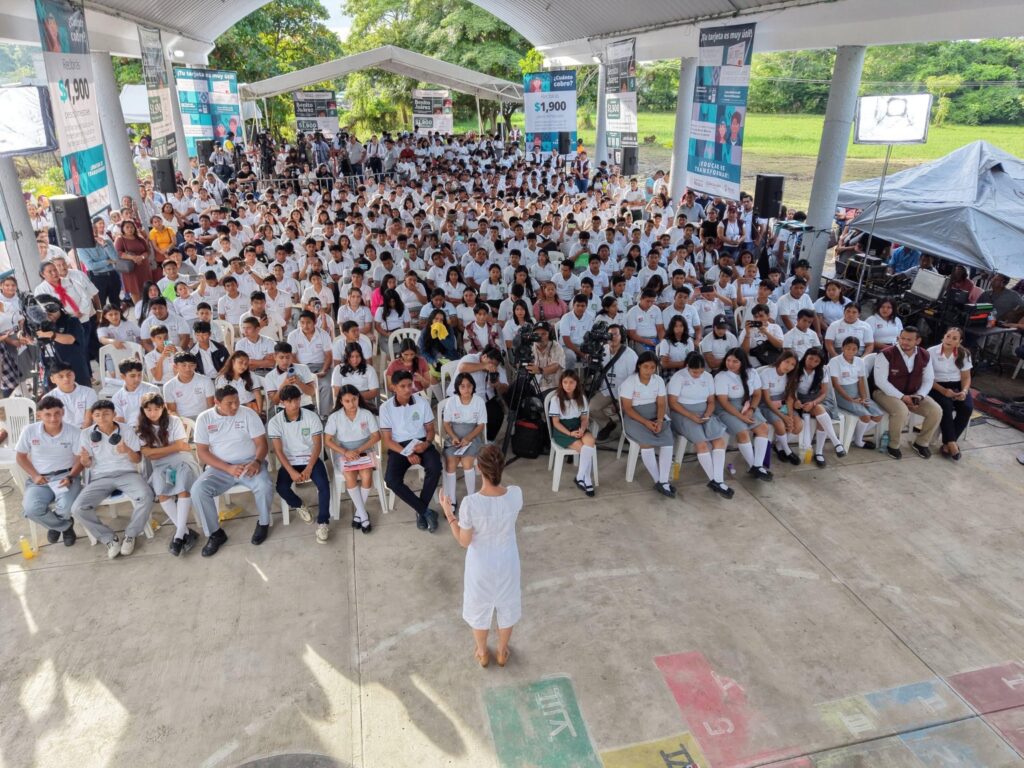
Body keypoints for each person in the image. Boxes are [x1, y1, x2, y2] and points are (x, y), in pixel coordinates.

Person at [439, 443, 522, 668]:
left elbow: (464, 541)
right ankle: (503, 651)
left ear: (478, 468)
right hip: (507, 561)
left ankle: (483, 652)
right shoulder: (516, 495)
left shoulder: (470, 503)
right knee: (507, 605)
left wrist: (449, 515)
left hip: (481, 565)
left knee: (480, 607)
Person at [192, 387, 275, 555]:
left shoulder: (248, 414)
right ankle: (215, 534)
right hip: (220, 467)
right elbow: (202, 452)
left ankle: (264, 523)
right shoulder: (204, 418)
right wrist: (227, 468)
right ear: (216, 402)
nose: (235, 406)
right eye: (229, 403)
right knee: (198, 490)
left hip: (249, 464)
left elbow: (261, 443)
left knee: (265, 485)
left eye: (236, 401)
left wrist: (257, 461)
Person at [71, 400, 155, 559]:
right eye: (97, 415)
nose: (102, 418)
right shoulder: (86, 434)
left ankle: (131, 534)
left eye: (106, 414)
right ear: (92, 417)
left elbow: (137, 460)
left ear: (114, 415)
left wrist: (127, 450)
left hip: (127, 473)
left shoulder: (127, 430)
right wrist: (84, 460)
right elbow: (87, 464)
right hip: (100, 477)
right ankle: (109, 538)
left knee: (147, 496)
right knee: (77, 508)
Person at [137, 392, 201, 556]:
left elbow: (180, 447)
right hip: (162, 466)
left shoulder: (173, 421)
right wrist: (173, 447)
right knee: (162, 490)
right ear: (143, 410)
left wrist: (156, 451)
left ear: (163, 408)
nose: (153, 413)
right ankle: (185, 532)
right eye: (149, 409)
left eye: (157, 409)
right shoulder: (140, 429)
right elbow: (148, 454)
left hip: (182, 460)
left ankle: (179, 535)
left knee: (182, 487)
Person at [15, 396, 82, 546]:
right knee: (31, 509)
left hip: (66, 476)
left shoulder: (74, 431)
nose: (53, 418)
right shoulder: (29, 431)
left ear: (63, 412)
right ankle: (64, 526)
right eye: (48, 414)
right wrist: (35, 475)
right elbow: (20, 457)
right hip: (40, 480)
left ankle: (56, 525)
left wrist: (71, 476)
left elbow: (80, 459)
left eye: (57, 413)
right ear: (39, 415)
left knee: (65, 507)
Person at [380, 370, 442, 532]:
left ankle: (421, 510)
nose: (408, 389)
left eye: (410, 385)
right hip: (399, 447)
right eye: (403, 386)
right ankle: (425, 511)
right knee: (391, 480)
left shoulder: (422, 402)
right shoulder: (385, 408)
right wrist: (407, 453)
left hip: (421, 442)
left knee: (435, 467)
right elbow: (387, 440)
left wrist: (427, 443)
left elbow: (430, 430)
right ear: (394, 388)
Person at [268, 385, 332, 540]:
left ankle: (323, 522)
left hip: (311, 458)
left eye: (296, 400)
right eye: (289, 401)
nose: (294, 404)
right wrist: (291, 471)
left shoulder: (311, 417)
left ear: (300, 399)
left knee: (324, 485)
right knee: (281, 487)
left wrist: (309, 467)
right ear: (282, 402)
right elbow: (278, 450)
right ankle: (299, 505)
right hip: (290, 461)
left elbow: (317, 445)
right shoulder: (275, 422)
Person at [667, 352, 734, 498]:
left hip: (704, 411)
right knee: (701, 444)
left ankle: (718, 480)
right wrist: (690, 415)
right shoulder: (679, 377)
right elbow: (672, 403)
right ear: (687, 367)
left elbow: (711, 401)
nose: (698, 374)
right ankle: (716, 480)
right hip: (683, 413)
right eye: (694, 372)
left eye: (700, 371)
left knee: (719, 441)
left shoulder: (708, 377)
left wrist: (708, 414)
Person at [872, 326, 942, 460]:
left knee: (936, 410)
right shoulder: (886, 354)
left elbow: (929, 379)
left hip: (913, 393)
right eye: (902, 338)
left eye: (909, 340)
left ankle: (921, 443)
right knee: (901, 411)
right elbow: (881, 381)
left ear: (918, 341)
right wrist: (902, 397)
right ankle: (893, 445)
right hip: (884, 393)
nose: (904, 342)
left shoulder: (924, 355)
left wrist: (919, 396)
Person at [324, 384, 381, 533]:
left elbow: (376, 436)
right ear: (341, 402)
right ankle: (364, 516)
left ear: (358, 398)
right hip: (344, 452)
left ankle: (358, 515)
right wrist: (345, 451)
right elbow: (328, 440)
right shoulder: (335, 417)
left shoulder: (366, 414)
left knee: (366, 474)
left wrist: (358, 450)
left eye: (354, 399)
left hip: (364, 449)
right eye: (347, 401)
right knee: (350, 475)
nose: (351, 404)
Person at [619, 351, 677, 497]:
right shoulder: (630, 382)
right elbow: (627, 408)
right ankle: (659, 480)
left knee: (668, 441)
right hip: (635, 418)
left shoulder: (658, 381)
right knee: (646, 444)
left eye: (652, 367)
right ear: (639, 366)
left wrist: (658, 420)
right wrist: (645, 422)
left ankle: (663, 481)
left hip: (655, 414)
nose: (649, 370)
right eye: (646, 367)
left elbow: (661, 403)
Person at [714, 348, 773, 480]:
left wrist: (751, 409)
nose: (731, 364)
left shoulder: (751, 372)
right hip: (727, 408)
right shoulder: (721, 376)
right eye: (728, 360)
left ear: (743, 362)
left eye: (735, 361)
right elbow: (723, 402)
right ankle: (755, 466)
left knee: (763, 428)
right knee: (743, 432)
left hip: (747, 404)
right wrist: (742, 417)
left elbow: (757, 394)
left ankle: (757, 466)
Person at [787, 347, 845, 467]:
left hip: (817, 399)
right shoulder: (796, 368)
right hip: (799, 400)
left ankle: (819, 452)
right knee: (821, 414)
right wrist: (796, 401)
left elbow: (824, 393)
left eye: (816, 361)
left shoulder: (822, 370)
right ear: (805, 356)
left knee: (820, 411)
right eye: (810, 358)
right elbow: (790, 390)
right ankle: (836, 443)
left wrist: (813, 403)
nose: (812, 363)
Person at [828, 337, 885, 451]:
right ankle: (859, 441)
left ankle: (855, 436)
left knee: (878, 415)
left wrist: (864, 397)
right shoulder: (835, 361)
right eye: (848, 348)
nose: (850, 351)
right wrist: (850, 399)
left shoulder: (859, 361)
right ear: (843, 348)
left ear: (858, 350)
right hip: (842, 395)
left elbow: (861, 381)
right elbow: (836, 384)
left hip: (857, 394)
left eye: (854, 349)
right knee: (865, 416)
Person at [441, 373, 488, 509]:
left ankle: (471, 498)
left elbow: (480, 425)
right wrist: (454, 437)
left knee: (467, 463)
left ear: (473, 386)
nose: (466, 389)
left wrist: (468, 438)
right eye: (462, 386)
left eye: (469, 386)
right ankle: (451, 500)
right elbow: (446, 423)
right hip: (454, 437)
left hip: (472, 437)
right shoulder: (452, 401)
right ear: (457, 388)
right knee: (451, 463)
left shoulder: (478, 401)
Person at [548, 370, 597, 496]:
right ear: (561, 383)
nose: (568, 385)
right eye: (565, 382)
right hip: (563, 430)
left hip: (577, 426)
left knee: (590, 442)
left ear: (577, 383)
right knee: (583, 448)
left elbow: (584, 418)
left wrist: (582, 428)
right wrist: (570, 434)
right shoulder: (556, 399)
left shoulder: (582, 398)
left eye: (571, 382)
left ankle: (580, 476)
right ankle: (587, 480)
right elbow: (556, 423)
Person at [927, 327, 973, 461]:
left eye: (954, 338)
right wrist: (943, 391)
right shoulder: (931, 352)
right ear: (943, 337)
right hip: (936, 386)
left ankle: (948, 443)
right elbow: (927, 378)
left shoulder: (964, 354)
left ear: (959, 341)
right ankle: (952, 444)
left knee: (966, 408)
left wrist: (964, 391)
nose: (949, 340)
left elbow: (966, 378)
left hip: (957, 385)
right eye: (948, 336)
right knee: (946, 406)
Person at [452, 346, 508, 442]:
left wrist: (498, 385)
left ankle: (489, 440)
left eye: (495, 365)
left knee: (497, 413)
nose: (492, 367)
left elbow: (506, 387)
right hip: (463, 397)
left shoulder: (497, 367)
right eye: (491, 364)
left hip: (485, 399)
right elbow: (462, 368)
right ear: (484, 357)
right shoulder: (471, 358)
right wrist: (483, 366)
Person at [757, 350, 802, 465]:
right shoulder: (766, 373)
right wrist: (783, 417)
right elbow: (766, 399)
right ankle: (787, 450)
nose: (789, 366)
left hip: (782, 404)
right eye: (787, 362)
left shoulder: (791, 376)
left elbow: (790, 398)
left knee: (797, 427)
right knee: (780, 425)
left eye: (793, 364)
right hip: (767, 405)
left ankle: (779, 446)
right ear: (780, 360)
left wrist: (790, 417)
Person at [163, 352, 216, 420]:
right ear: (175, 366)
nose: (188, 368)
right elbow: (172, 411)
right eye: (183, 365)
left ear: (195, 366)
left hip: (204, 418)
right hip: (182, 419)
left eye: (191, 365)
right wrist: (183, 423)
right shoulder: (168, 386)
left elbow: (211, 406)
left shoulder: (206, 381)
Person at [45, 361, 97, 428]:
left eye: (69, 375)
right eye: (61, 376)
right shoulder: (48, 398)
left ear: (74, 375)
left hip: (86, 431)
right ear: (52, 379)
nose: (66, 379)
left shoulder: (89, 392)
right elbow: (52, 423)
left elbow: (88, 420)